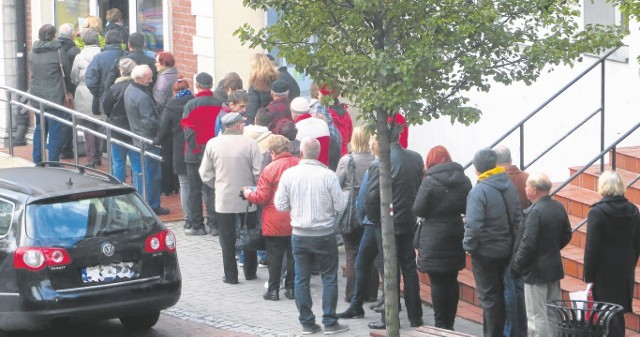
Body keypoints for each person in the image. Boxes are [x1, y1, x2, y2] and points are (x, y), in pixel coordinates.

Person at [274, 137, 349, 335]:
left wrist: (296, 207)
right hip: (324, 234)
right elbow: (341, 205)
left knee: (301, 278)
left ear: (301, 153)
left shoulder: (289, 175)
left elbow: (280, 204)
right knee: (329, 278)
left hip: (299, 234)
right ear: (319, 152)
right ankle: (330, 321)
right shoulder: (328, 176)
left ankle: (307, 322)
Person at [362, 125, 424, 330]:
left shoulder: (381, 162)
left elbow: (371, 196)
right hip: (408, 219)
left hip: (388, 221)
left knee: (389, 268)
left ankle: (390, 316)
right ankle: (415, 316)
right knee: (409, 267)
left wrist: (375, 218)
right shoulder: (415, 158)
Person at [412, 145, 471, 330]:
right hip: (455, 231)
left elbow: (418, 209)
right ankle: (450, 324)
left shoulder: (429, 181)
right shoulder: (464, 180)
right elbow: (467, 207)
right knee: (452, 279)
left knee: (437, 280)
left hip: (433, 235)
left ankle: (440, 324)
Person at [464, 148, 522, 337]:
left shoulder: (479, 190)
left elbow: (473, 225)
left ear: (476, 169)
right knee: (501, 296)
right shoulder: (508, 184)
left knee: (490, 299)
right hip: (506, 249)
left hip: (485, 252)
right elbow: (517, 218)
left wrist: (469, 247)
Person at [200, 112, 262, 284]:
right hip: (248, 198)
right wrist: (254, 188)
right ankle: (250, 272)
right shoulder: (250, 144)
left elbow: (205, 173)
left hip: (223, 197)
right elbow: (258, 172)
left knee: (226, 238)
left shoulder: (213, 144)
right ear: (239, 126)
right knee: (250, 234)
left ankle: (230, 275)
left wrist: (217, 185)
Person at [510, 172, 571, 337]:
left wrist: (516, 266)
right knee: (552, 313)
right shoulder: (558, 206)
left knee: (536, 316)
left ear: (534, 190)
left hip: (535, 271)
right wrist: (551, 247)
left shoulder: (535, 212)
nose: (525, 188)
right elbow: (567, 234)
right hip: (553, 267)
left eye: (527, 186)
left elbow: (527, 243)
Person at [243, 135, 300, 301]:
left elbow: (261, 197)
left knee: (274, 257)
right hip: (296, 219)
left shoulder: (270, 169)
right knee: (293, 256)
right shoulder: (299, 164)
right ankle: (291, 289)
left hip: (274, 221)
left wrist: (248, 194)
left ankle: (273, 290)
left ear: (273, 152)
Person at [584, 170, 640, 337]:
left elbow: (592, 247)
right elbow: (637, 242)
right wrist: (630, 262)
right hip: (624, 268)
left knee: (606, 311)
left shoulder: (597, 212)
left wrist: (589, 276)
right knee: (617, 311)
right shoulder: (633, 210)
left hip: (604, 271)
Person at [334, 126, 378, 304]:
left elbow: (337, 182)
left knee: (351, 253)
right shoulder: (376, 159)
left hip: (350, 211)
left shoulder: (347, 160)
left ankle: (352, 294)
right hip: (370, 210)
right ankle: (371, 293)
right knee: (372, 254)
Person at [181, 72, 223, 236]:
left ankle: (197, 225)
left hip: (194, 153)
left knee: (194, 190)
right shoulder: (219, 103)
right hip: (214, 152)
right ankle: (214, 225)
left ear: (197, 85)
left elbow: (189, 130)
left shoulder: (191, 104)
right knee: (212, 189)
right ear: (211, 85)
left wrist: (196, 149)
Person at [124, 64, 168, 216]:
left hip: (137, 137)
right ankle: (152, 206)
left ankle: (145, 204)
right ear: (138, 78)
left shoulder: (130, 90)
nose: (151, 81)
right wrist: (161, 126)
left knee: (143, 173)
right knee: (152, 175)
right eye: (148, 78)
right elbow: (149, 122)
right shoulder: (141, 96)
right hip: (148, 140)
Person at [494, 145, 529, 337]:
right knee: (519, 286)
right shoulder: (526, 178)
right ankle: (522, 328)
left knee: (508, 287)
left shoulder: (498, 182)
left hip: (505, 239)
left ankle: (510, 330)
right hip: (523, 238)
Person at [29, 24, 72, 164]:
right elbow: (67, 73)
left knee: (40, 128)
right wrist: (70, 91)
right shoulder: (58, 50)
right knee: (55, 130)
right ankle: (53, 162)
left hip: (37, 96)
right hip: (55, 97)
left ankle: (38, 160)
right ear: (54, 35)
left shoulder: (33, 51)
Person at [154, 78, 193, 227]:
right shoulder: (194, 102)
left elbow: (163, 129)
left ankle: (188, 219)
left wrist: (156, 141)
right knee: (201, 186)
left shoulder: (171, 106)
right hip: (197, 147)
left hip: (179, 148)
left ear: (175, 91)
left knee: (184, 184)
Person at [70, 29, 102, 168]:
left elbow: (74, 76)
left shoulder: (79, 56)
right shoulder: (102, 54)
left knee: (87, 127)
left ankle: (91, 158)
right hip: (99, 93)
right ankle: (99, 155)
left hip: (83, 92)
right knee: (101, 125)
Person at [103, 58, 137, 182]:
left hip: (117, 129)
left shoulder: (115, 88)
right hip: (134, 129)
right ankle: (138, 188)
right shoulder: (137, 88)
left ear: (121, 71)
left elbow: (106, 107)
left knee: (118, 161)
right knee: (137, 162)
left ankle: (119, 187)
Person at [152, 51, 179, 196]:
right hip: (176, 119)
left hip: (166, 118)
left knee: (166, 154)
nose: (155, 64)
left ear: (163, 63)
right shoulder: (176, 74)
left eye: (157, 62)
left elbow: (159, 102)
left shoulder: (163, 79)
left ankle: (166, 186)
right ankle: (175, 184)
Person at [290, 97, 331, 167]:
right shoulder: (323, 124)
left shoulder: (295, 130)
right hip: (324, 168)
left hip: (306, 171)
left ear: (294, 115)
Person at [246, 53, 279, 123]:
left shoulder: (255, 85)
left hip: (262, 124)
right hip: (277, 120)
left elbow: (252, 109)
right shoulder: (277, 80)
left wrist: (249, 125)